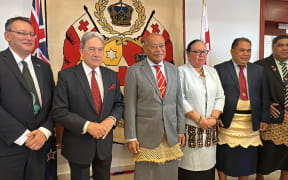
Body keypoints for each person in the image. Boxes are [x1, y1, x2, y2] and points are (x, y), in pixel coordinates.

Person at [52, 32, 124, 180]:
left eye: (100, 49)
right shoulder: (66, 76)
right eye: (92, 49)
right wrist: (87, 126)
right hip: (78, 144)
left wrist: (111, 119)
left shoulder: (111, 75)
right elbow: (59, 111)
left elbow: (119, 103)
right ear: (81, 51)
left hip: (104, 144)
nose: (97, 54)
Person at [124, 33, 185, 180]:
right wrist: (131, 137)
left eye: (162, 45)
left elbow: (179, 102)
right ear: (144, 49)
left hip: (170, 133)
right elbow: (130, 106)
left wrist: (181, 129)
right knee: (146, 175)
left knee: (169, 174)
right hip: (146, 135)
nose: (159, 50)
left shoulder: (173, 69)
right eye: (154, 46)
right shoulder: (134, 71)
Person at [0, 16, 54, 180]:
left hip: (39, 149)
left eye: (32, 34)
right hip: (7, 150)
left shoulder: (43, 67)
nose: (29, 38)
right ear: (7, 36)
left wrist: (44, 132)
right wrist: (24, 137)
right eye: (22, 33)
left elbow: (54, 105)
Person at [214, 37, 270, 180]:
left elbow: (265, 96)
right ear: (232, 51)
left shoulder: (258, 70)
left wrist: (264, 118)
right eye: (242, 50)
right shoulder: (220, 69)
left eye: (249, 50)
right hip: (228, 120)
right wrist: (217, 116)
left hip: (250, 121)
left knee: (246, 158)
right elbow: (214, 96)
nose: (246, 54)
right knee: (224, 156)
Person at [178, 40, 225, 180]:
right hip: (190, 126)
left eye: (204, 51)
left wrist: (213, 118)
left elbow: (220, 96)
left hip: (209, 126)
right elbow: (180, 99)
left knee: (208, 167)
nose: (202, 55)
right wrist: (199, 119)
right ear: (188, 54)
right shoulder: (181, 71)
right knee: (189, 167)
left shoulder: (212, 71)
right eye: (197, 52)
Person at [254, 35, 288, 180]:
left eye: (287, 45)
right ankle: (259, 177)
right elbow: (252, 92)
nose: (285, 48)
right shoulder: (260, 65)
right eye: (281, 45)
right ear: (272, 47)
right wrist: (266, 104)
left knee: (287, 158)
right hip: (271, 119)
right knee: (265, 155)